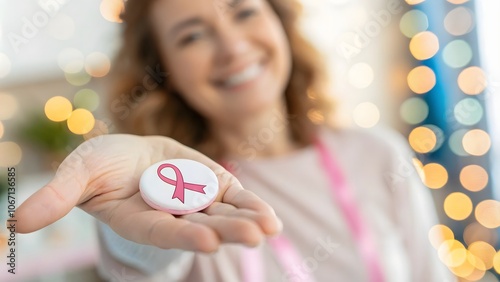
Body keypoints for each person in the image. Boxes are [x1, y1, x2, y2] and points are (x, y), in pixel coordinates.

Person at [15, 0, 455, 281]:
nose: (231, 47)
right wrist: (135, 216)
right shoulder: (182, 199)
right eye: (192, 35)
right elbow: (141, 262)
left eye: (244, 11)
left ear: (280, 22)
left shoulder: (378, 154)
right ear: (161, 71)